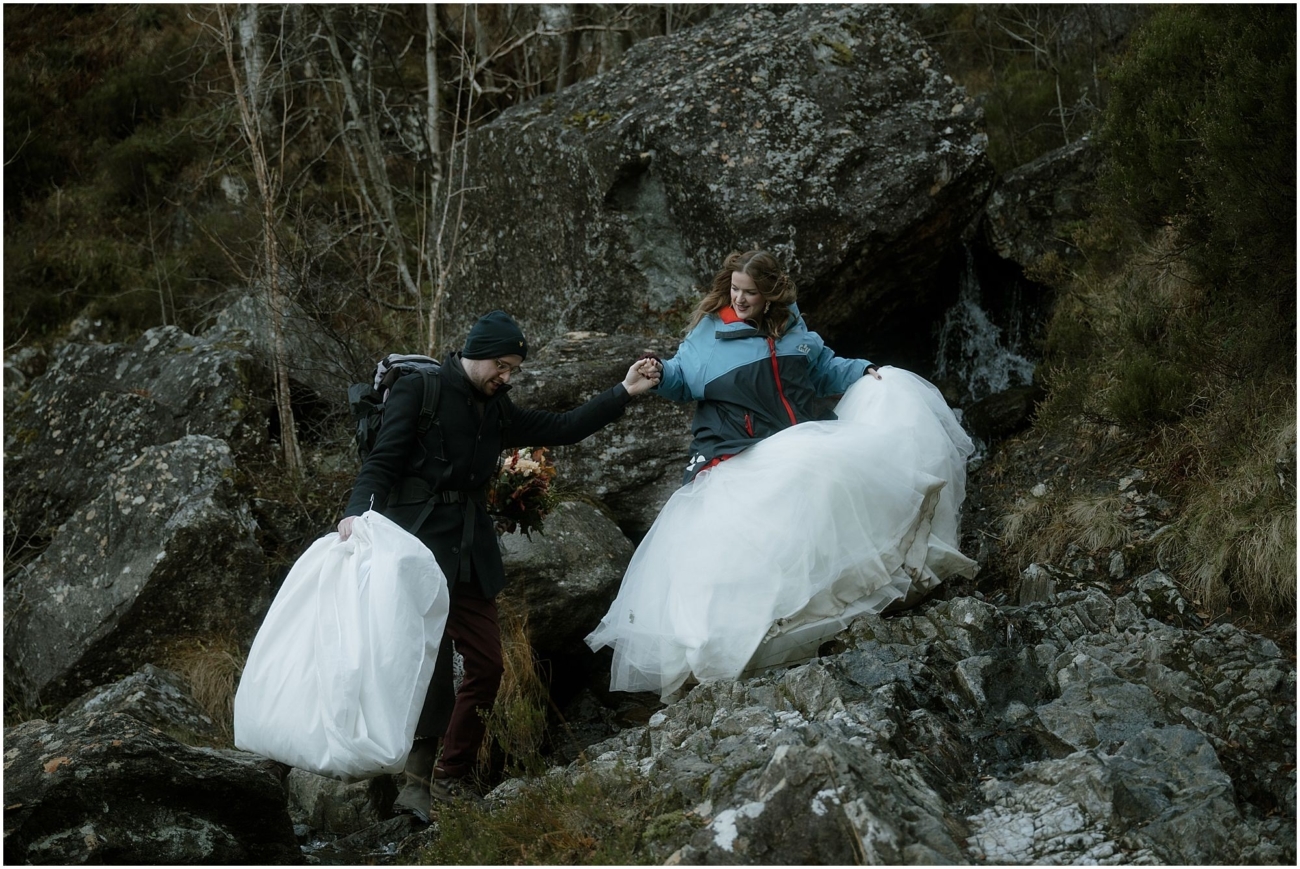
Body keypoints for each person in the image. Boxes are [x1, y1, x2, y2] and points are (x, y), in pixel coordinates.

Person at [585, 250, 977, 701]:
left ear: (771, 295)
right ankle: (743, 644)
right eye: (734, 289)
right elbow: (681, 376)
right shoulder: (710, 334)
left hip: (794, 442)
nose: (739, 298)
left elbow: (824, 366)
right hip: (736, 453)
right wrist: (656, 373)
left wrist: (863, 371)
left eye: (749, 292)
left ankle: (825, 613)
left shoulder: (793, 329)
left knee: (835, 469)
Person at [338, 310, 660, 819]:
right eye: (503, 366)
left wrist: (624, 390)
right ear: (479, 353)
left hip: (468, 553)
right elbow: (382, 460)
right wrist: (355, 514)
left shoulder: (498, 408)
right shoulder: (419, 392)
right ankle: (414, 784)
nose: (507, 377)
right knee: (430, 667)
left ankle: (451, 777)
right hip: (414, 550)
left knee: (487, 665)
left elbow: (565, 428)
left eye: (513, 369)